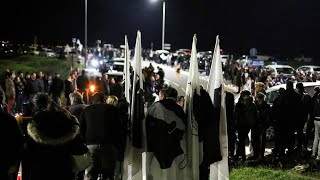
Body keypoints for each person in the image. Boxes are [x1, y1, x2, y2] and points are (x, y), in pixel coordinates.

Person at [23, 93, 88, 180]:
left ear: (34, 106)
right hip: (64, 171)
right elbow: (79, 149)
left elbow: (27, 154)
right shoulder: (66, 121)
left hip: (40, 172)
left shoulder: (34, 123)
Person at [144, 87, 187, 180]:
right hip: (173, 148)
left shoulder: (156, 106)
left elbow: (146, 123)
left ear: (165, 95)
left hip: (155, 146)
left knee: (155, 173)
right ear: (175, 97)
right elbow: (184, 127)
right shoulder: (179, 109)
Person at [80, 93, 123, 180]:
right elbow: (119, 127)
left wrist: (85, 143)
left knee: (90, 174)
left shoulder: (86, 110)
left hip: (91, 145)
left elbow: (81, 129)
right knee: (108, 175)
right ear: (104, 100)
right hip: (108, 145)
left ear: (93, 101)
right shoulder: (112, 109)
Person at [234, 90, 258, 161]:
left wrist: (253, 122)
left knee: (242, 139)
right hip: (240, 124)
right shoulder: (239, 104)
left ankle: (239, 155)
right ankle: (241, 155)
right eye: (245, 95)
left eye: (247, 95)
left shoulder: (251, 104)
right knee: (242, 139)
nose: (246, 97)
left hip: (247, 124)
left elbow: (254, 114)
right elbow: (236, 115)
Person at [0, 111, 23, 180]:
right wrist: (14, 163)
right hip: (5, 165)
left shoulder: (9, 119)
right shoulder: (9, 119)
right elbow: (18, 142)